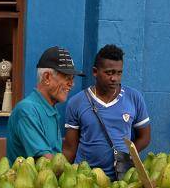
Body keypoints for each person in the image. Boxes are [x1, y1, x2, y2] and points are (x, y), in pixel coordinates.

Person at [62, 44, 151, 179]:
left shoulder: (134, 97)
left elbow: (145, 137)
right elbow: (70, 148)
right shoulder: (77, 102)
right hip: (85, 178)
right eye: (109, 73)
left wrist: (126, 157)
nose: (114, 78)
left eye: (118, 73)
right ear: (95, 72)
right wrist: (64, 177)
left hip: (121, 179)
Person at [6, 46, 83, 161]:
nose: (71, 84)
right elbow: (45, 160)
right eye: (67, 78)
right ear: (47, 77)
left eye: (72, 79)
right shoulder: (27, 110)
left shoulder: (50, 109)